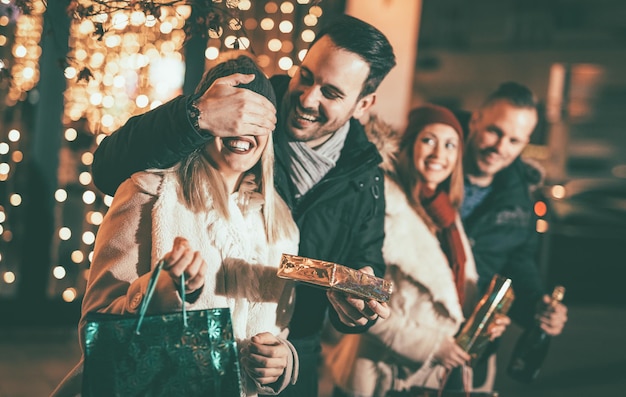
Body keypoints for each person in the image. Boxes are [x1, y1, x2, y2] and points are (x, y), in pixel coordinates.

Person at [89, 14, 397, 397]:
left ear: (363, 103)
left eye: (331, 93)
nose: (306, 98)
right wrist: (197, 115)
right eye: (306, 76)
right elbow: (107, 168)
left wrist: (358, 306)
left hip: (288, 364)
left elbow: (365, 267)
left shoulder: (365, 174)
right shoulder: (248, 103)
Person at [51, 55, 300, 397]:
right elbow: (98, 324)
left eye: (255, 117)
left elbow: (278, 331)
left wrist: (282, 360)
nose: (242, 127)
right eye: (233, 112)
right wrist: (159, 293)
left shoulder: (280, 225)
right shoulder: (148, 193)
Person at [326, 105, 510, 397]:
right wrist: (431, 346)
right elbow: (354, 298)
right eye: (429, 140)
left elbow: (454, 295)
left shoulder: (445, 213)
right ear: (409, 144)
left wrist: (483, 323)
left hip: (432, 378)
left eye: (450, 145)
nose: (439, 154)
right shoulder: (381, 203)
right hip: (382, 376)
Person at [457, 82, 569, 389]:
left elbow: (520, 264)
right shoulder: (432, 171)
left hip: (474, 349)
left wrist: (538, 307)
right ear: (475, 120)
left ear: (525, 142)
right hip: (404, 339)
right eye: (495, 131)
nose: (500, 147)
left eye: (514, 140)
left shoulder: (523, 198)